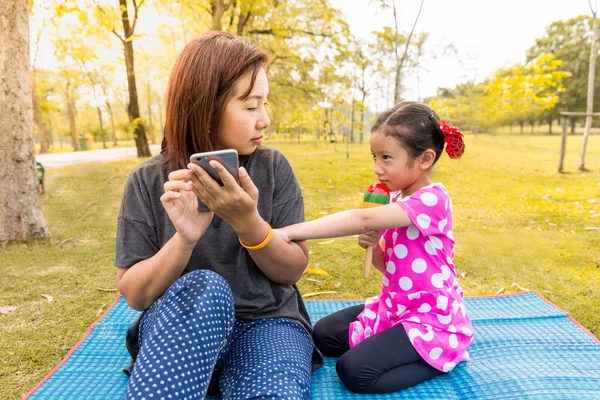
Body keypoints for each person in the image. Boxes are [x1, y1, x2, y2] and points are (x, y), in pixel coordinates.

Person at [115, 31, 320, 400]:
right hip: (183, 326)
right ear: (205, 106)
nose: (265, 121)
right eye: (251, 106)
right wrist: (184, 240)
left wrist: (248, 223)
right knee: (206, 286)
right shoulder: (148, 182)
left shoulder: (273, 169)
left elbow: (291, 271)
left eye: (264, 104)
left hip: (266, 324)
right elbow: (134, 293)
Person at [275, 102, 473, 394]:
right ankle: (394, 343)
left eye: (387, 158)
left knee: (354, 372)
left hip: (429, 315)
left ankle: (444, 354)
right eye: (375, 157)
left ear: (425, 159)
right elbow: (390, 267)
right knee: (324, 335)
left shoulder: (433, 200)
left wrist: (287, 232)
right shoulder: (395, 199)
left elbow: (361, 217)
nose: (377, 168)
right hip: (396, 304)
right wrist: (375, 248)